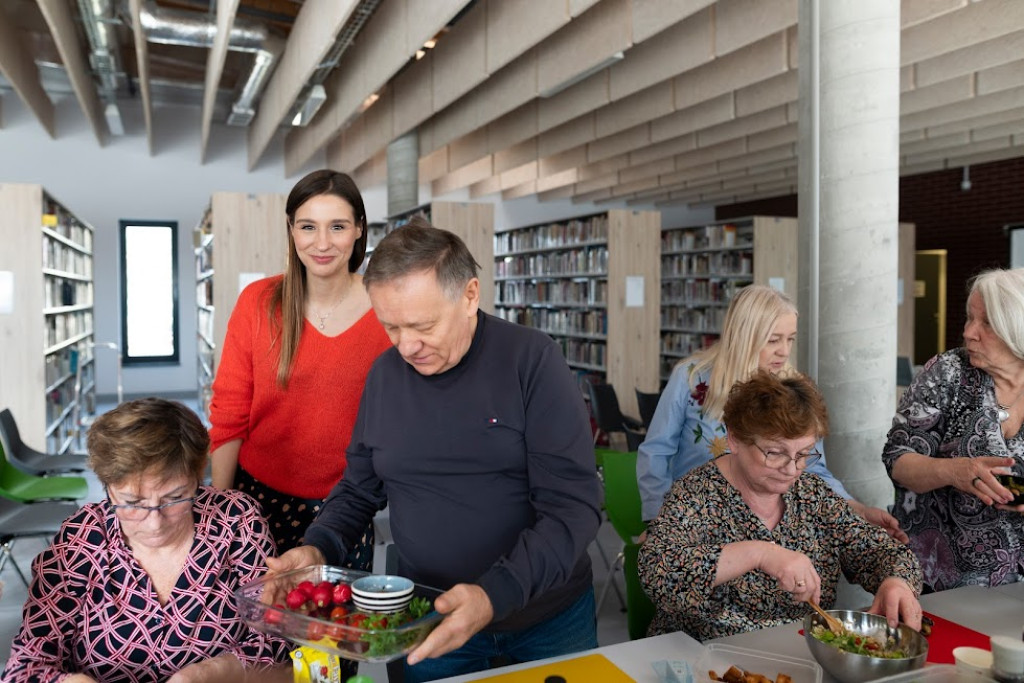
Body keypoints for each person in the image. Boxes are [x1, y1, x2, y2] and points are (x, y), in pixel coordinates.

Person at [269, 218, 603, 683]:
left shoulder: (532, 360)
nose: (406, 345)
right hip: (428, 620)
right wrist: (317, 547)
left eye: (422, 325)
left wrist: (493, 596)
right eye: (390, 327)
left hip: (544, 620)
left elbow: (574, 509)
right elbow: (359, 488)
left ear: (469, 296)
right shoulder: (384, 375)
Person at [3, 398, 290, 683]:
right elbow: (26, 666)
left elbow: (276, 637)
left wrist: (209, 673)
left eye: (175, 498)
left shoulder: (236, 520)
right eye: (132, 502)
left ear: (198, 475)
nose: (155, 523)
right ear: (107, 487)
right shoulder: (80, 540)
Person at [639, 373, 923, 641]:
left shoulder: (812, 495)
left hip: (799, 656)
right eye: (774, 453)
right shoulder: (697, 495)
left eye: (802, 454)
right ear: (734, 439)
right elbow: (657, 574)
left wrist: (896, 581)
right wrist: (760, 553)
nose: (791, 469)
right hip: (704, 658)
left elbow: (882, 551)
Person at [208, 169, 392, 560]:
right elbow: (229, 415)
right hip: (255, 503)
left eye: (338, 226)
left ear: (359, 229)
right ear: (291, 229)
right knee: (257, 620)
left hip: (346, 508)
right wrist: (220, 513)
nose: (322, 243)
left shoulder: (387, 307)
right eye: (308, 226)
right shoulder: (258, 302)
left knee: (333, 621)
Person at [637, 284, 906, 541]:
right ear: (744, 336)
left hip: (772, 528)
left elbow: (813, 468)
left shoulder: (795, 390)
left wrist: (854, 507)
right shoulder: (691, 377)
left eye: (790, 339)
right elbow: (656, 453)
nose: (785, 351)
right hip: (697, 523)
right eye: (773, 340)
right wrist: (661, 522)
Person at [883, 267, 1024, 591]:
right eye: (969, 318)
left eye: (986, 323)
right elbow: (898, 461)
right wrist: (954, 471)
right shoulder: (948, 373)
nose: (969, 332)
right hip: (943, 581)